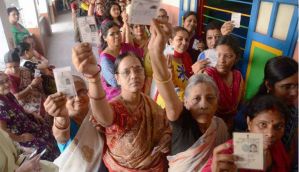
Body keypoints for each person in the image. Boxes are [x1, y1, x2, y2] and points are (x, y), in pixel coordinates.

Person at [72, 43, 171, 171]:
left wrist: (166, 138)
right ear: (117, 79)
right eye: (126, 72)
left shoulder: (150, 104)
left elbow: (165, 127)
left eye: (138, 70)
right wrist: (93, 78)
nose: (134, 75)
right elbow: (104, 118)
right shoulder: (116, 107)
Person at [148, 19, 228, 171]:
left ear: (217, 101)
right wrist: (155, 52)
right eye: (196, 99)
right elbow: (166, 84)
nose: (203, 104)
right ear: (185, 102)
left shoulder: (220, 127)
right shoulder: (181, 123)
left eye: (210, 98)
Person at [202, 95, 291, 172]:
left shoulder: (276, 145)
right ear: (249, 122)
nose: (271, 134)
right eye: (263, 125)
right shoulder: (229, 153)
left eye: (278, 126)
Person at [44, 75, 103, 171]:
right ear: (63, 100)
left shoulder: (95, 110)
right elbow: (61, 137)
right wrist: (61, 117)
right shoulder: (65, 120)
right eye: (71, 96)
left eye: (82, 92)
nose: (77, 98)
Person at [0, 72, 59, 161]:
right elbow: (3, 133)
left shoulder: (7, 94)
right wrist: (21, 138)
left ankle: (64, 151)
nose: (7, 84)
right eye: (1, 83)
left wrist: (32, 114)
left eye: (7, 80)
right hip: (20, 135)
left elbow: (18, 107)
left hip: (28, 124)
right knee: (46, 148)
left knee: (52, 132)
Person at [255, 56, 298, 171]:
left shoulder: (293, 111)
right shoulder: (252, 114)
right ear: (269, 85)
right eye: (287, 86)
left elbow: (291, 146)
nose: (295, 93)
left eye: (297, 85)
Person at [203, 35, 244, 132]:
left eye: (228, 56)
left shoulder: (238, 77)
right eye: (218, 55)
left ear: (236, 58)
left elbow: (240, 103)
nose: (221, 60)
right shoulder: (208, 75)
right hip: (209, 128)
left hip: (230, 126)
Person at [98, 21, 143, 100]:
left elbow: (139, 58)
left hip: (134, 81)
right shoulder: (105, 59)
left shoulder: (126, 47)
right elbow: (115, 83)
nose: (117, 36)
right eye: (112, 34)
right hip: (117, 92)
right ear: (105, 38)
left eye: (118, 32)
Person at [4, 50, 48, 123]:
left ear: (19, 63)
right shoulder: (7, 78)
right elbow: (16, 97)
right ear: (6, 66)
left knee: (48, 103)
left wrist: (36, 80)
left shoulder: (24, 70)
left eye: (16, 66)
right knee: (40, 114)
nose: (13, 70)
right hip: (22, 101)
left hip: (32, 93)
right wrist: (31, 86)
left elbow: (31, 79)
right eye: (10, 67)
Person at [155, 26, 193, 108]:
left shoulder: (186, 57)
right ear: (171, 41)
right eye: (180, 39)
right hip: (169, 103)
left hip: (185, 102)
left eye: (187, 40)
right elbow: (167, 87)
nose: (184, 43)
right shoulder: (166, 58)